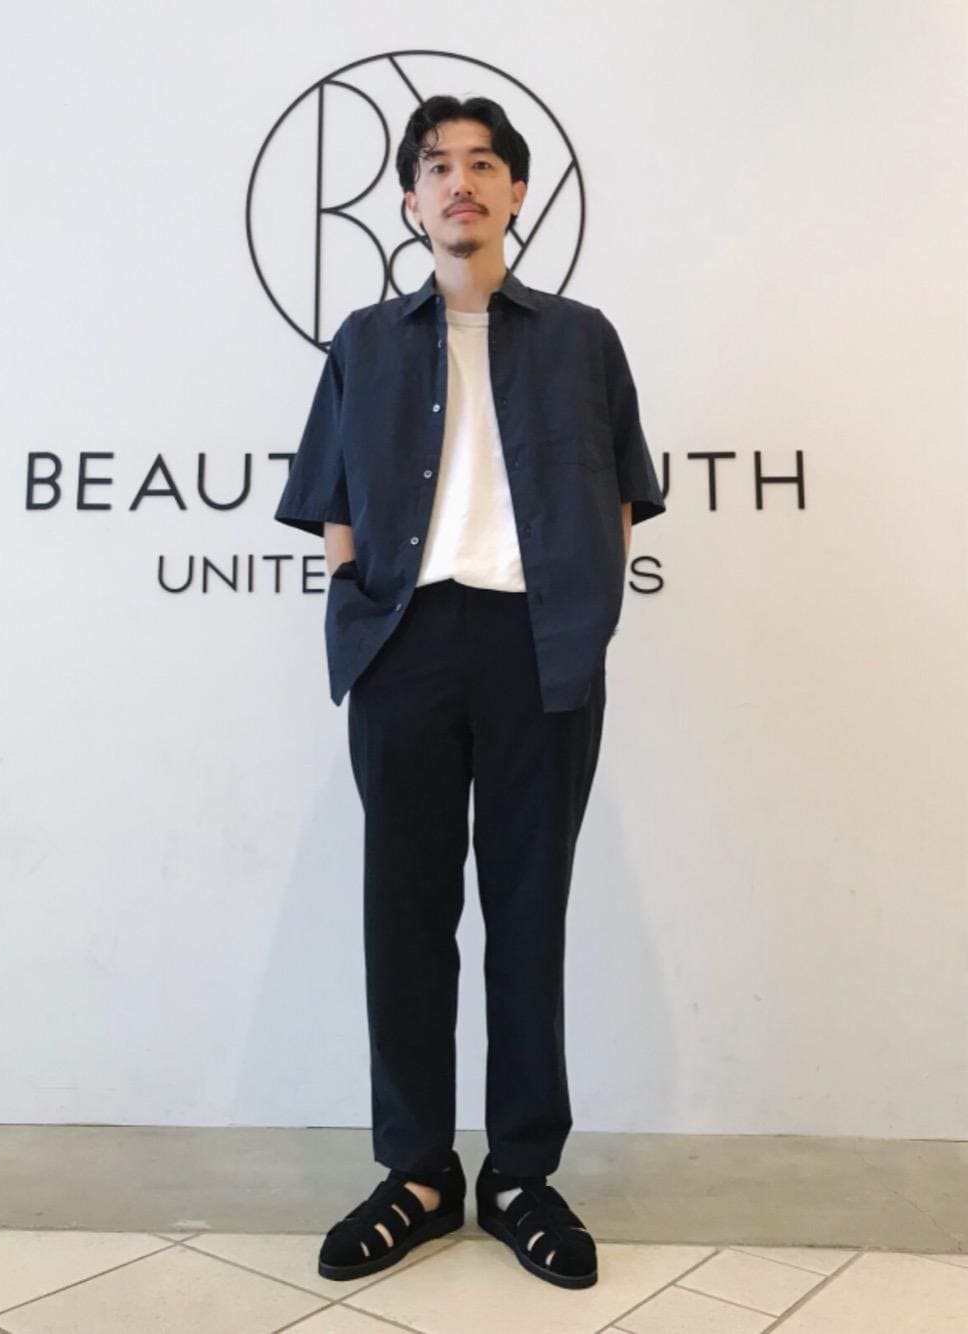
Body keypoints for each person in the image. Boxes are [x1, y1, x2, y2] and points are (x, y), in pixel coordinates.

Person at [274, 94, 665, 1291]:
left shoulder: (581, 339)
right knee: (404, 912)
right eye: (438, 165)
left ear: (515, 192)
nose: (461, 182)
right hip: (405, 642)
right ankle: (419, 1172)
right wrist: (363, 613)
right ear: (408, 199)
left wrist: (584, 616)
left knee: (528, 911)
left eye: (483, 163)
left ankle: (520, 1176)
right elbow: (333, 499)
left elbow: (621, 493)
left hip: (538, 643)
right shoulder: (364, 342)